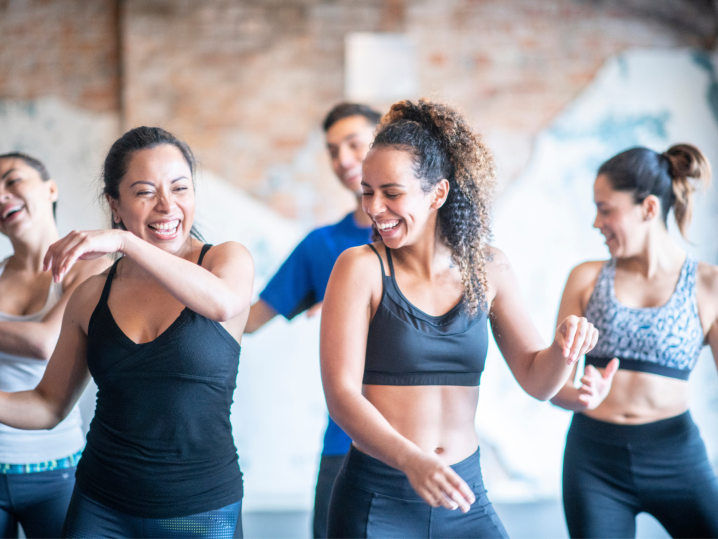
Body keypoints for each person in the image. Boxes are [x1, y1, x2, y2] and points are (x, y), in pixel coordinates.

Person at [320, 99, 599, 538]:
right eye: (367, 192)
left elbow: (536, 380)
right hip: (379, 500)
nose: (374, 208)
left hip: (465, 497)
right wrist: (413, 460)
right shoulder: (359, 268)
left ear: (438, 193)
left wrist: (565, 348)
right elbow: (342, 397)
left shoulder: (490, 269)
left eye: (391, 193)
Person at [0, 127, 254, 538]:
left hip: (200, 508)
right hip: (100, 505)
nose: (167, 206)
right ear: (114, 204)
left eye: (179, 188)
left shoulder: (224, 260)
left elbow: (223, 304)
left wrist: (126, 242)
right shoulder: (90, 296)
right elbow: (47, 405)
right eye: (144, 192)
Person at [551, 144, 718, 538]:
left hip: (676, 456)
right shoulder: (585, 278)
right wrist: (579, 395)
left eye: (606, 208)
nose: (596, 222)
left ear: (648, 208)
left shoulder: (708, 285)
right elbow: (551, 384)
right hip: (593, 461)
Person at [244, 103, 380, 538]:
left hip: (423, 440)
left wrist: (353, 306)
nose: (342, 160)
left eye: (354, 145)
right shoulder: (321, 245)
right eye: (333, 150)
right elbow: (247, 321)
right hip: (345, 442)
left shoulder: (427, 240)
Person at [0, 153, 107, 538]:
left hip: (57, 471)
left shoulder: (92, 266)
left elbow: (45, 341)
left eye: (12, 181)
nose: (1, 195)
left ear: (50, 189)